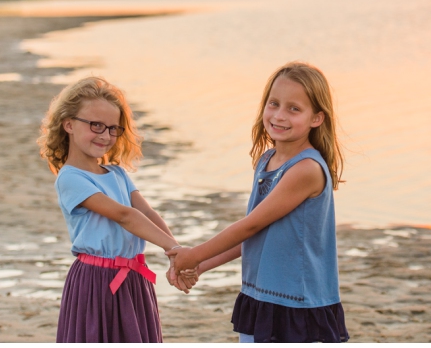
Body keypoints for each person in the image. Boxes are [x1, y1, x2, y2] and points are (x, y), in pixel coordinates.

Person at [167, 62, 350, 343]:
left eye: (294, 108)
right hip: (261, 295)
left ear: (317, 118)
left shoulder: (306, 170)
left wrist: (195, 254)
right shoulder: (267, 161)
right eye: (274, 103)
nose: (279, 115)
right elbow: (257, 237)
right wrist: (202, 265)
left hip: (297, 304)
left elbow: (250, 226)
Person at [38, 76, 193, 343]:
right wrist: (174, 249)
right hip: (95, 281)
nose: (105, 135)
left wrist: (175, 252)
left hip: (133, 279)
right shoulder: (71, 178)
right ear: (69, 124)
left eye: (113, 128)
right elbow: (125, 215)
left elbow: (147, 214)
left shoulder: (117, 174)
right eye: (96, 125)